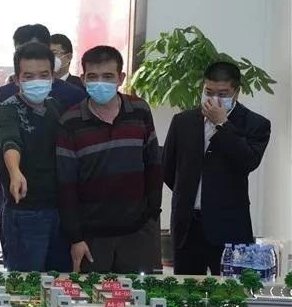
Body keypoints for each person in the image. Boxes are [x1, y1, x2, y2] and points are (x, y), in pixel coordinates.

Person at [57, 46, 161, 274]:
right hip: (92, 237)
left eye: (107, 76)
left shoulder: (140, 110)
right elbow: (66, 184)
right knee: (92, 296)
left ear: (120, 78)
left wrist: (152, 214)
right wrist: (75, 237)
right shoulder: (70, 121)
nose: (100, 83)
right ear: (83, 79)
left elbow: (153, 164)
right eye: (93, 77)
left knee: (137, 294)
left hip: (137, 232)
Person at [163, 61, 271, 275]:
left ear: (236, 92)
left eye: (222, 94)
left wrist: (223, 124)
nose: (214, 99)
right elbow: (168, 169)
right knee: (185, 289)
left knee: (231, 291)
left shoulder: (255, 124)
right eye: (208, 92)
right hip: (187, 227)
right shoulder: (183, 121)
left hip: (229, 228)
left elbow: (249, 161)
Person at [0, 25, 85, 267]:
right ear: (17, 79)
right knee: (27, 283)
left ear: (52, 77)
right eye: (28, 76)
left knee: (60, 281)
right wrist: (15, 171)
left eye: (43, 75)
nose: (37, 81)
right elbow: (9, 141)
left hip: (59, 211)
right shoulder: (7, 109)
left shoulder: (56, 107)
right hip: (26, 212)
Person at [0, 24, 85, 111]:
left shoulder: (73, 95)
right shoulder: (4, 93)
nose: (28, 58)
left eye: (34, 52)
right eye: (20, 53)